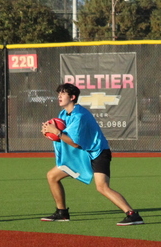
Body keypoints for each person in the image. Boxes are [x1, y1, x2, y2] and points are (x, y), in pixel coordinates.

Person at [39, 82, 143, 226]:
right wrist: (50, 134)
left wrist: (56, 132)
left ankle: (132, 214)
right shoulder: (63, 114)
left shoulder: (79, 115)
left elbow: (75, 143)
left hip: (98, 152)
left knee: (102, 187)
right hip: (82, 155)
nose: (59, 96)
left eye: (63, 93)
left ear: (73, 97)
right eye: (59, 94)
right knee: (52, 176)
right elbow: (63, 136)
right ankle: (62, 213)